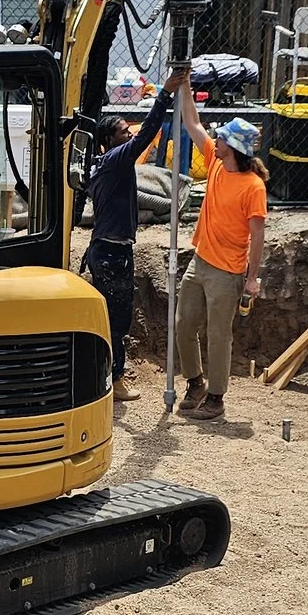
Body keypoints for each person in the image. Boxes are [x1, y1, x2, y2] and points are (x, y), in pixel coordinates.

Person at [169, 98, 267, 421]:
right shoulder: (214, 161)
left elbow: (257, 236)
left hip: (228, 272)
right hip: (200, 261)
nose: (216, 138)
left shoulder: (253, 187)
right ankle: (195, 382)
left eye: (222, 136)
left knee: (219, 334)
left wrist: (251, 278)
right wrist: (184, 83)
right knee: (183, 323)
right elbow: (192, 124)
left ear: (233, 147)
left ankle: (215, 398)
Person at [79, 86, 171, 402]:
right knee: (117, 320)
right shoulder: (116, 161)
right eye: (122, 132)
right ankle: (114, 380)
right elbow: (146, 135)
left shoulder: (103, 165)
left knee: (108, 316)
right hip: (112, 253)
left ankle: (103, 376)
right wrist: (165, 95)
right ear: (109, 140)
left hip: (106, 249)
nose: (129, 134)